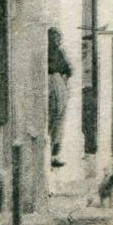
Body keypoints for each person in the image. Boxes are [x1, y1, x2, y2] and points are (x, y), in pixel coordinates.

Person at [47, 29, 73, 166]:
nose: (57, 42)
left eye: (58, 39)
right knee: (54, 116)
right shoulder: (49, 52)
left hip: (59, 83)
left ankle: (54, 154)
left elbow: (69, 69)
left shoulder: (60, 52)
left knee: (59, 121)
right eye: (54, 39)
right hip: (53, 82)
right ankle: (50, 154)